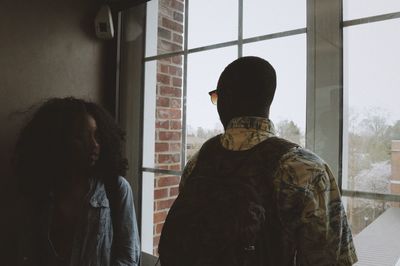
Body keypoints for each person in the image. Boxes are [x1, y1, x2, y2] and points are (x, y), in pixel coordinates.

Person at [160, 56, 357, 265]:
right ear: (267, 101)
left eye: (216, 97)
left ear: (224, 101)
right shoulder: (306, 169)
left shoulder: (199, 161)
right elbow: (330, 260)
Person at [14, 97, 140, 266]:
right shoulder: (42, 192)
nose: (94, 144)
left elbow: (129, 257)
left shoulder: (115, 189)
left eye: (97, 136)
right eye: (82, 137)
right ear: (59, 141)